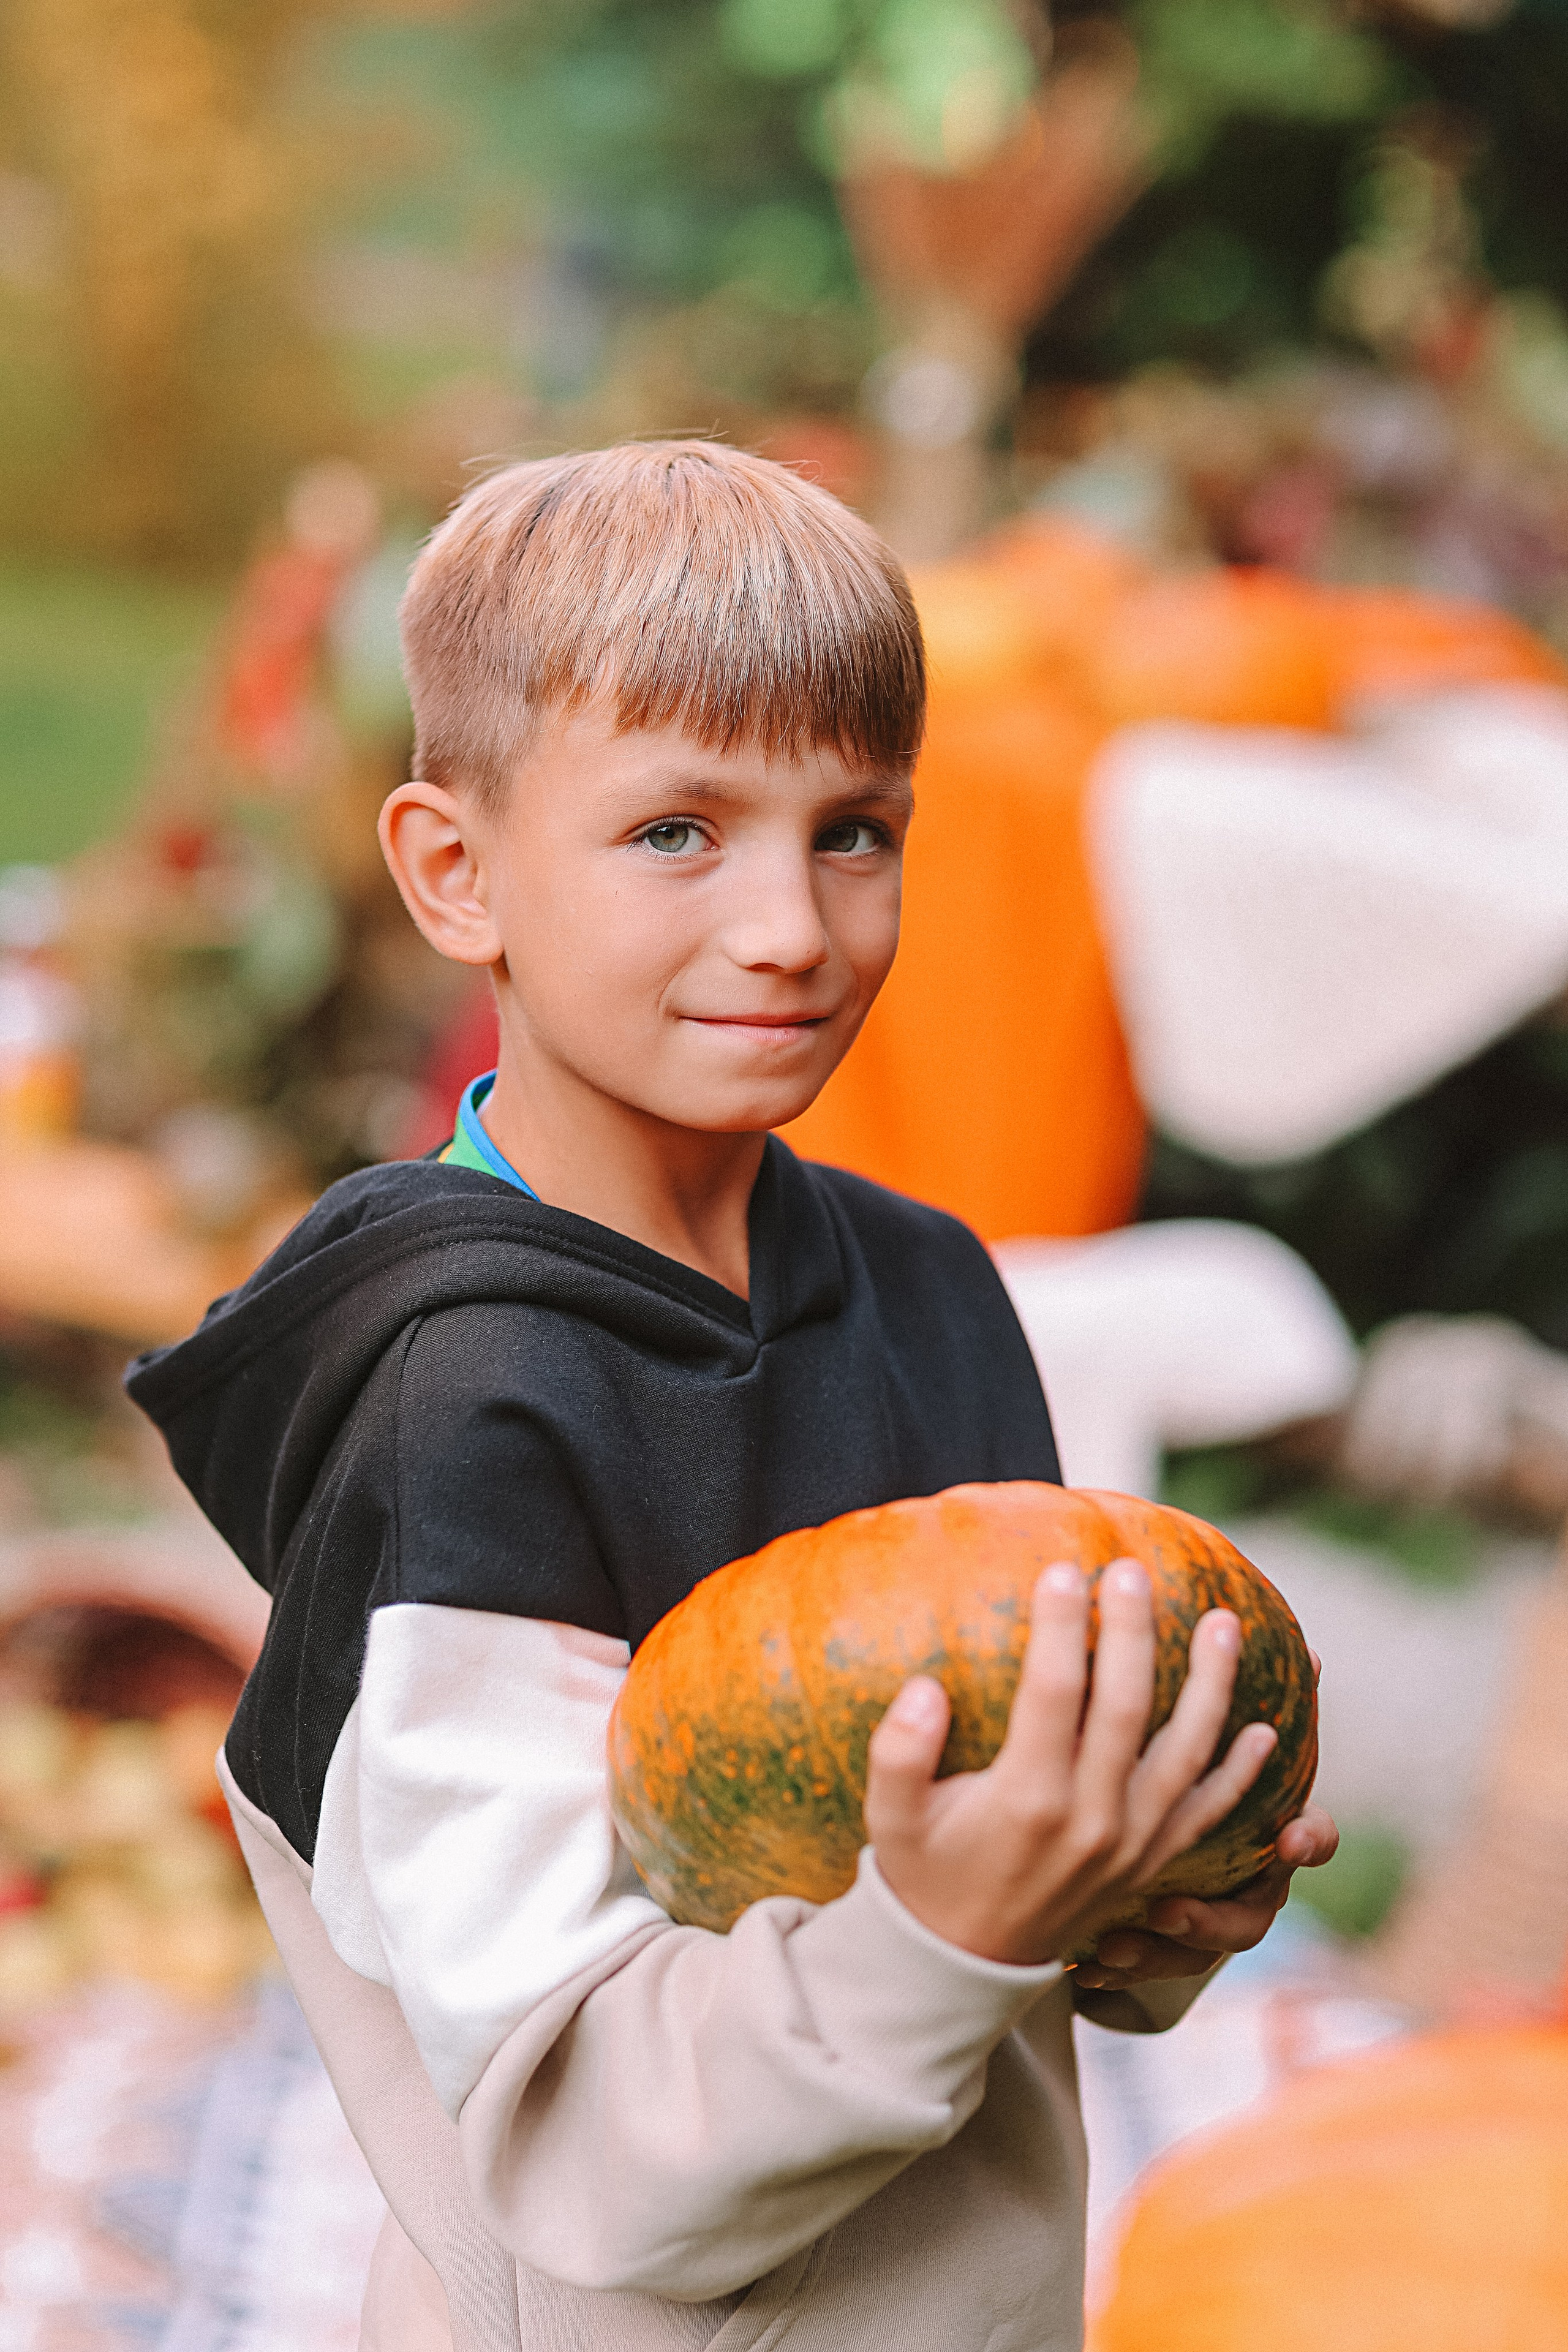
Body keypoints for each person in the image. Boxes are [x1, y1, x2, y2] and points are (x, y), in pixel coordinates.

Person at [126, 444, 1334, 2352]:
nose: (790, 925)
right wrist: (955, 1935)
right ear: (459, 875)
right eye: (679, 832)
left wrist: (1136, 1918)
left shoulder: (933, 1293)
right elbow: (596, 2152)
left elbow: (967, 1921)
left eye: (854, 831)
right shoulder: (466, 1413)